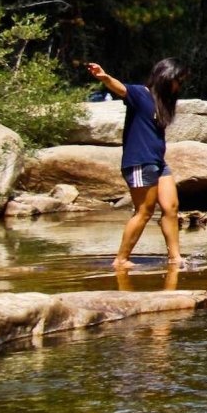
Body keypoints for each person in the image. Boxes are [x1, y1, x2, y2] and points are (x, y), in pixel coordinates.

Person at [86, 58, 190, 270]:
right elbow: (121, 88)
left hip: (158, 162)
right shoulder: (141, 94)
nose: (179, 86)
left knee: (171, 207)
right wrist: (104, 77)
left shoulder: (163, 104)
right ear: (166, 77)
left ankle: (175, 257)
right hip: (140, 161)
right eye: (178, 80)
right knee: (144, 211)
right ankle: (121, 259)